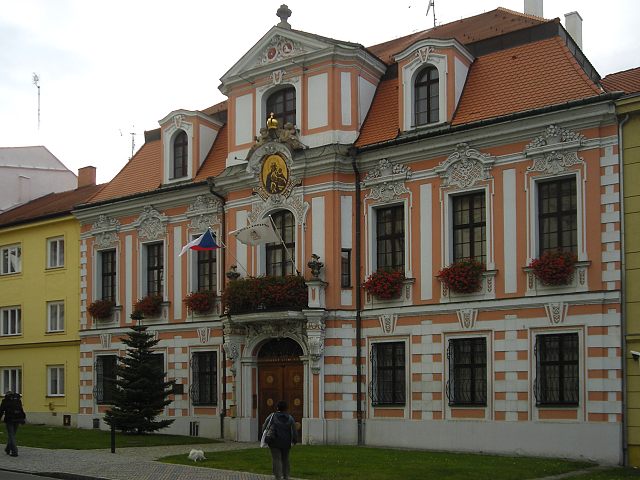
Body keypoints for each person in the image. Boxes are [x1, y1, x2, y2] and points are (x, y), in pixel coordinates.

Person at [262, 400, 297, 480]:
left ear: (277, 407)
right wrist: (294, 440)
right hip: (286, 442)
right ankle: (286, 476)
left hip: (274, 442)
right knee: (285, 459)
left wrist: (264, 435)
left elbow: (265, 426)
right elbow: (294, 430)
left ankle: (278, 477)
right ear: (286, 408)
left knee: (276, 459)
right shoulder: (290, 418)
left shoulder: (272, 416)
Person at [0, 390, 26, 457]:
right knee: (12, 435)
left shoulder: (5, 400)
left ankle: (15, 451)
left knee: (11, 435)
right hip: (18, 419)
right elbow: (21, 409)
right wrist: (23, 418)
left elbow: (1, 411)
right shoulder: (17, 400)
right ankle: (8, 449)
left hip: (9, 419)